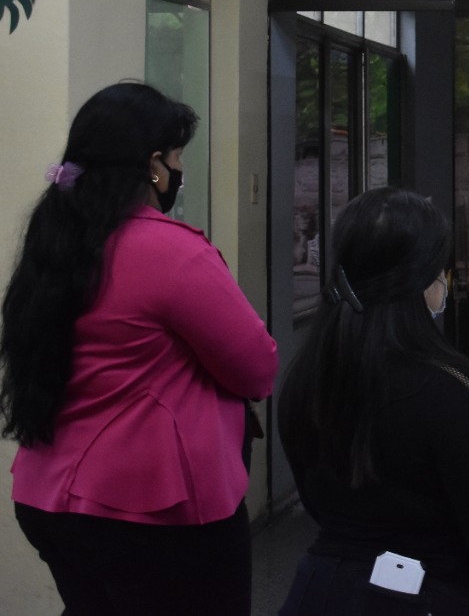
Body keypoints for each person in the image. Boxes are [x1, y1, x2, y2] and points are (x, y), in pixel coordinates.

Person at [1, 81, 279, 616]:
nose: (178, 170)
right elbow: (256, 370)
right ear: (154, 165)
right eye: (177, 157)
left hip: (49, 500)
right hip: (154, 509)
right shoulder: (169, 250)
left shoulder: (54, 241)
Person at [277, 187, 469, 615]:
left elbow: (318, 505)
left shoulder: (308, 378)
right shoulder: (453, 390)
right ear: (423, 278)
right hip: (428, 596)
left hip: (320, 592)